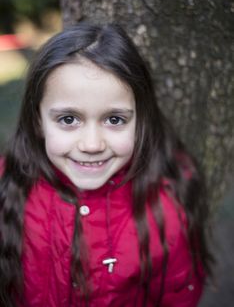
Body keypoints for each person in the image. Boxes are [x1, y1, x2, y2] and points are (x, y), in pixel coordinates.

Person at [0, 23, 213, 307]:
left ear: (140, 121)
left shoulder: (167, 211)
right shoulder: (6, 185)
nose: (91, 144)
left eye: (114, 120)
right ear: (38, 120)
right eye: (68, 119)